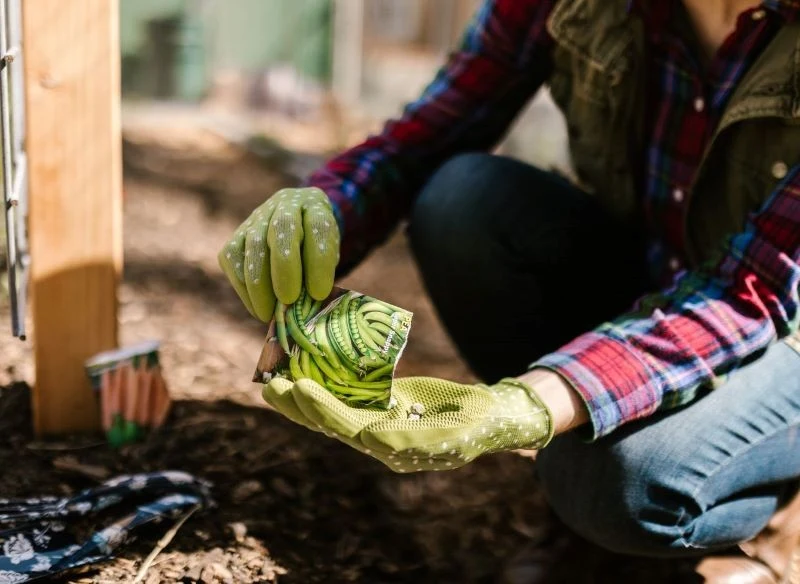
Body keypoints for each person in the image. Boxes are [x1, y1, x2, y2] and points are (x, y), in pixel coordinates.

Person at [219, 0, 800, 580]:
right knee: (463, 200)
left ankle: (755, 526)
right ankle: (578, 504)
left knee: (627, 480)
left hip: (779, 329)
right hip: (653, 284)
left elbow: (745, 290)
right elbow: (429, 136)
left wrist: (523, 406)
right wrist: (328, 210)